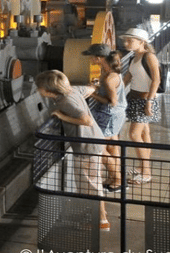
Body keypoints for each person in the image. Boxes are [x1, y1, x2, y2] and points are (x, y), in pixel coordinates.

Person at [35, 69, 110, 231]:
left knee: (91, 186)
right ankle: (99, 216)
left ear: (49, 90)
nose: (37, 90)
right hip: (93, 141)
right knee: (92, 183)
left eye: (39, 87)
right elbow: (89, 90)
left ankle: (101, 221)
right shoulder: (72, 91)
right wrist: (93, 86)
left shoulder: (65, 102)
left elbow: (86, 120)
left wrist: (61, 116)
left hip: (86, 146)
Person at [82, 43, 128, 191]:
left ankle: (119, 180)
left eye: (91, 56)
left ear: (99, 58)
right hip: (115, 116)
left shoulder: (109, 78)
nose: (89, 59)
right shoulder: (109, 72)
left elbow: (112, 102)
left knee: (99, 149)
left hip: (108, 115)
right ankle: (115, 176)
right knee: (112, 146)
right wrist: (97, 85)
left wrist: (92, 94)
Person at [121, 27, 161, 185]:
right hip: (135, 98)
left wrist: (149, 102)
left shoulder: (149, 56)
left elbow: (156, 80)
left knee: (134, 135)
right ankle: (143, 167)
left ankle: (146, 172)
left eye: (130, 40)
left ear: (142, 42)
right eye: (126, 40)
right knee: (144, 134)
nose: (126, 43)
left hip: (145, 100)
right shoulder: (134, 57)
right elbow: (127, 79)